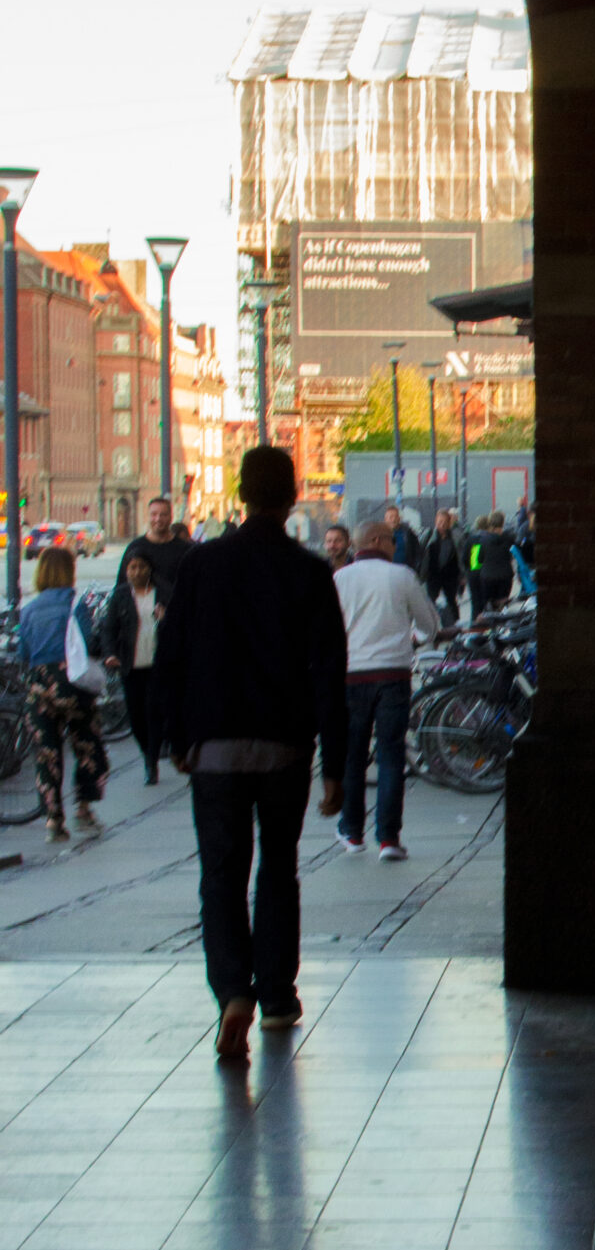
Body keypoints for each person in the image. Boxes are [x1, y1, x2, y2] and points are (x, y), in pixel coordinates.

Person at [154, 446, 348, 1064]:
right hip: (285, 747)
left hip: (213, 746)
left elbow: (170, 653)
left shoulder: (201, 564)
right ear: (292, 497)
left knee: (221, 873)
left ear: (240, 495)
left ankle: (233, 990)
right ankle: (278, 998)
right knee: (278, 870)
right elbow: (329, 672)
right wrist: (336, 767)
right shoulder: (309, 571)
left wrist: (177, 738)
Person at [334, 516, 439, 862]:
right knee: (391, 755)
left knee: (352, 756)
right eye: (392, 540)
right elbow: (429, 624)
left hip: (351, 676)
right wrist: (415, 640)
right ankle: (388, 838)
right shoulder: (402, 576)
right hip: (393, 674)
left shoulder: (340, 579)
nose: (396, 546)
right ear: (377, 540)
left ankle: (352, 832)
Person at [18, 547, 108, 844]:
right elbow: (89, 641)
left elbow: (24, 652)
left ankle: (53, 820)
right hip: (71, 682)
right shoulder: (75, 604)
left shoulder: (29, 609)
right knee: (87, 743)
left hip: (39, 684)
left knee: (47, 752)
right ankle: (84, 808)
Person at [101, 551, 166, 784]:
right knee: (136, 716)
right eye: (132, 568)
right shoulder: (120, 595)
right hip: (131, 665)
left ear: (150, 568)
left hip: (157, 665)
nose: (136, 572)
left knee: (154, 713)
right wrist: (110, 654)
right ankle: (147, 751)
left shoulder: (163, 592)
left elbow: (180, 626)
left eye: (141, 567)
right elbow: (109, 628)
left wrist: (165, 618)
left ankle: (152, 759)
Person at [119, 495, 189, 602]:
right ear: (148, 516)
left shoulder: (184, 549)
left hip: (176, 608)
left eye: (163, 515)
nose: (158, 519)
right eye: (154, 514)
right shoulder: (135, 547)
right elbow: (122, 585)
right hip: (141, 609)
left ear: (171, 517)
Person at [423, 508, 464, 626]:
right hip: (432, 574)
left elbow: (461, 556)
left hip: (450, 574)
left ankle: (455, 624)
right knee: (430, 601)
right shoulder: (428, 536)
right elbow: (421, 553)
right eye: (440, 522)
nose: (442, 525)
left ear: (449, 523)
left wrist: (462, 575)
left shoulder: (455, 537)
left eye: (445, 522)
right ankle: (431, 624)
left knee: (451, 600)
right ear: (435, 521)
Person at [470, 510, 514, 612]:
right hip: (505, 577)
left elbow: (474, 562)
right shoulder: (509, 538)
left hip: (487, 578)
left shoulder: (479, 540)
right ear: (503, 522)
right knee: (502, 607)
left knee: (489, 608)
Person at [383, 503, 424, 574]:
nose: (393, 520)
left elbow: (417, 553)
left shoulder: (408, 533)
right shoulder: (380, 535)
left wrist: (414, 569)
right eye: (391, 517)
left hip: (405, 573)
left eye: (396, 516)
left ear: (399, 518)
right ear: (385, 519)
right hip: (386, 573)